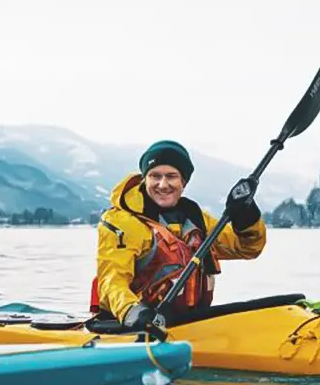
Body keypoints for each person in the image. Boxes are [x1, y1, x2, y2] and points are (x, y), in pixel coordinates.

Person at [90, 139, 266, 330]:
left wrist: (246, 214)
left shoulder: (197, 219)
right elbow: (112, 281)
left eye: (171, 176)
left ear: (183, 182)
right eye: (154, 176)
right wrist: (133, 312)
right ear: (145, 179)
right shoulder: (122, 222)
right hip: (135, 327)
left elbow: (247, 248)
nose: (162, 184)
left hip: (189, 325)